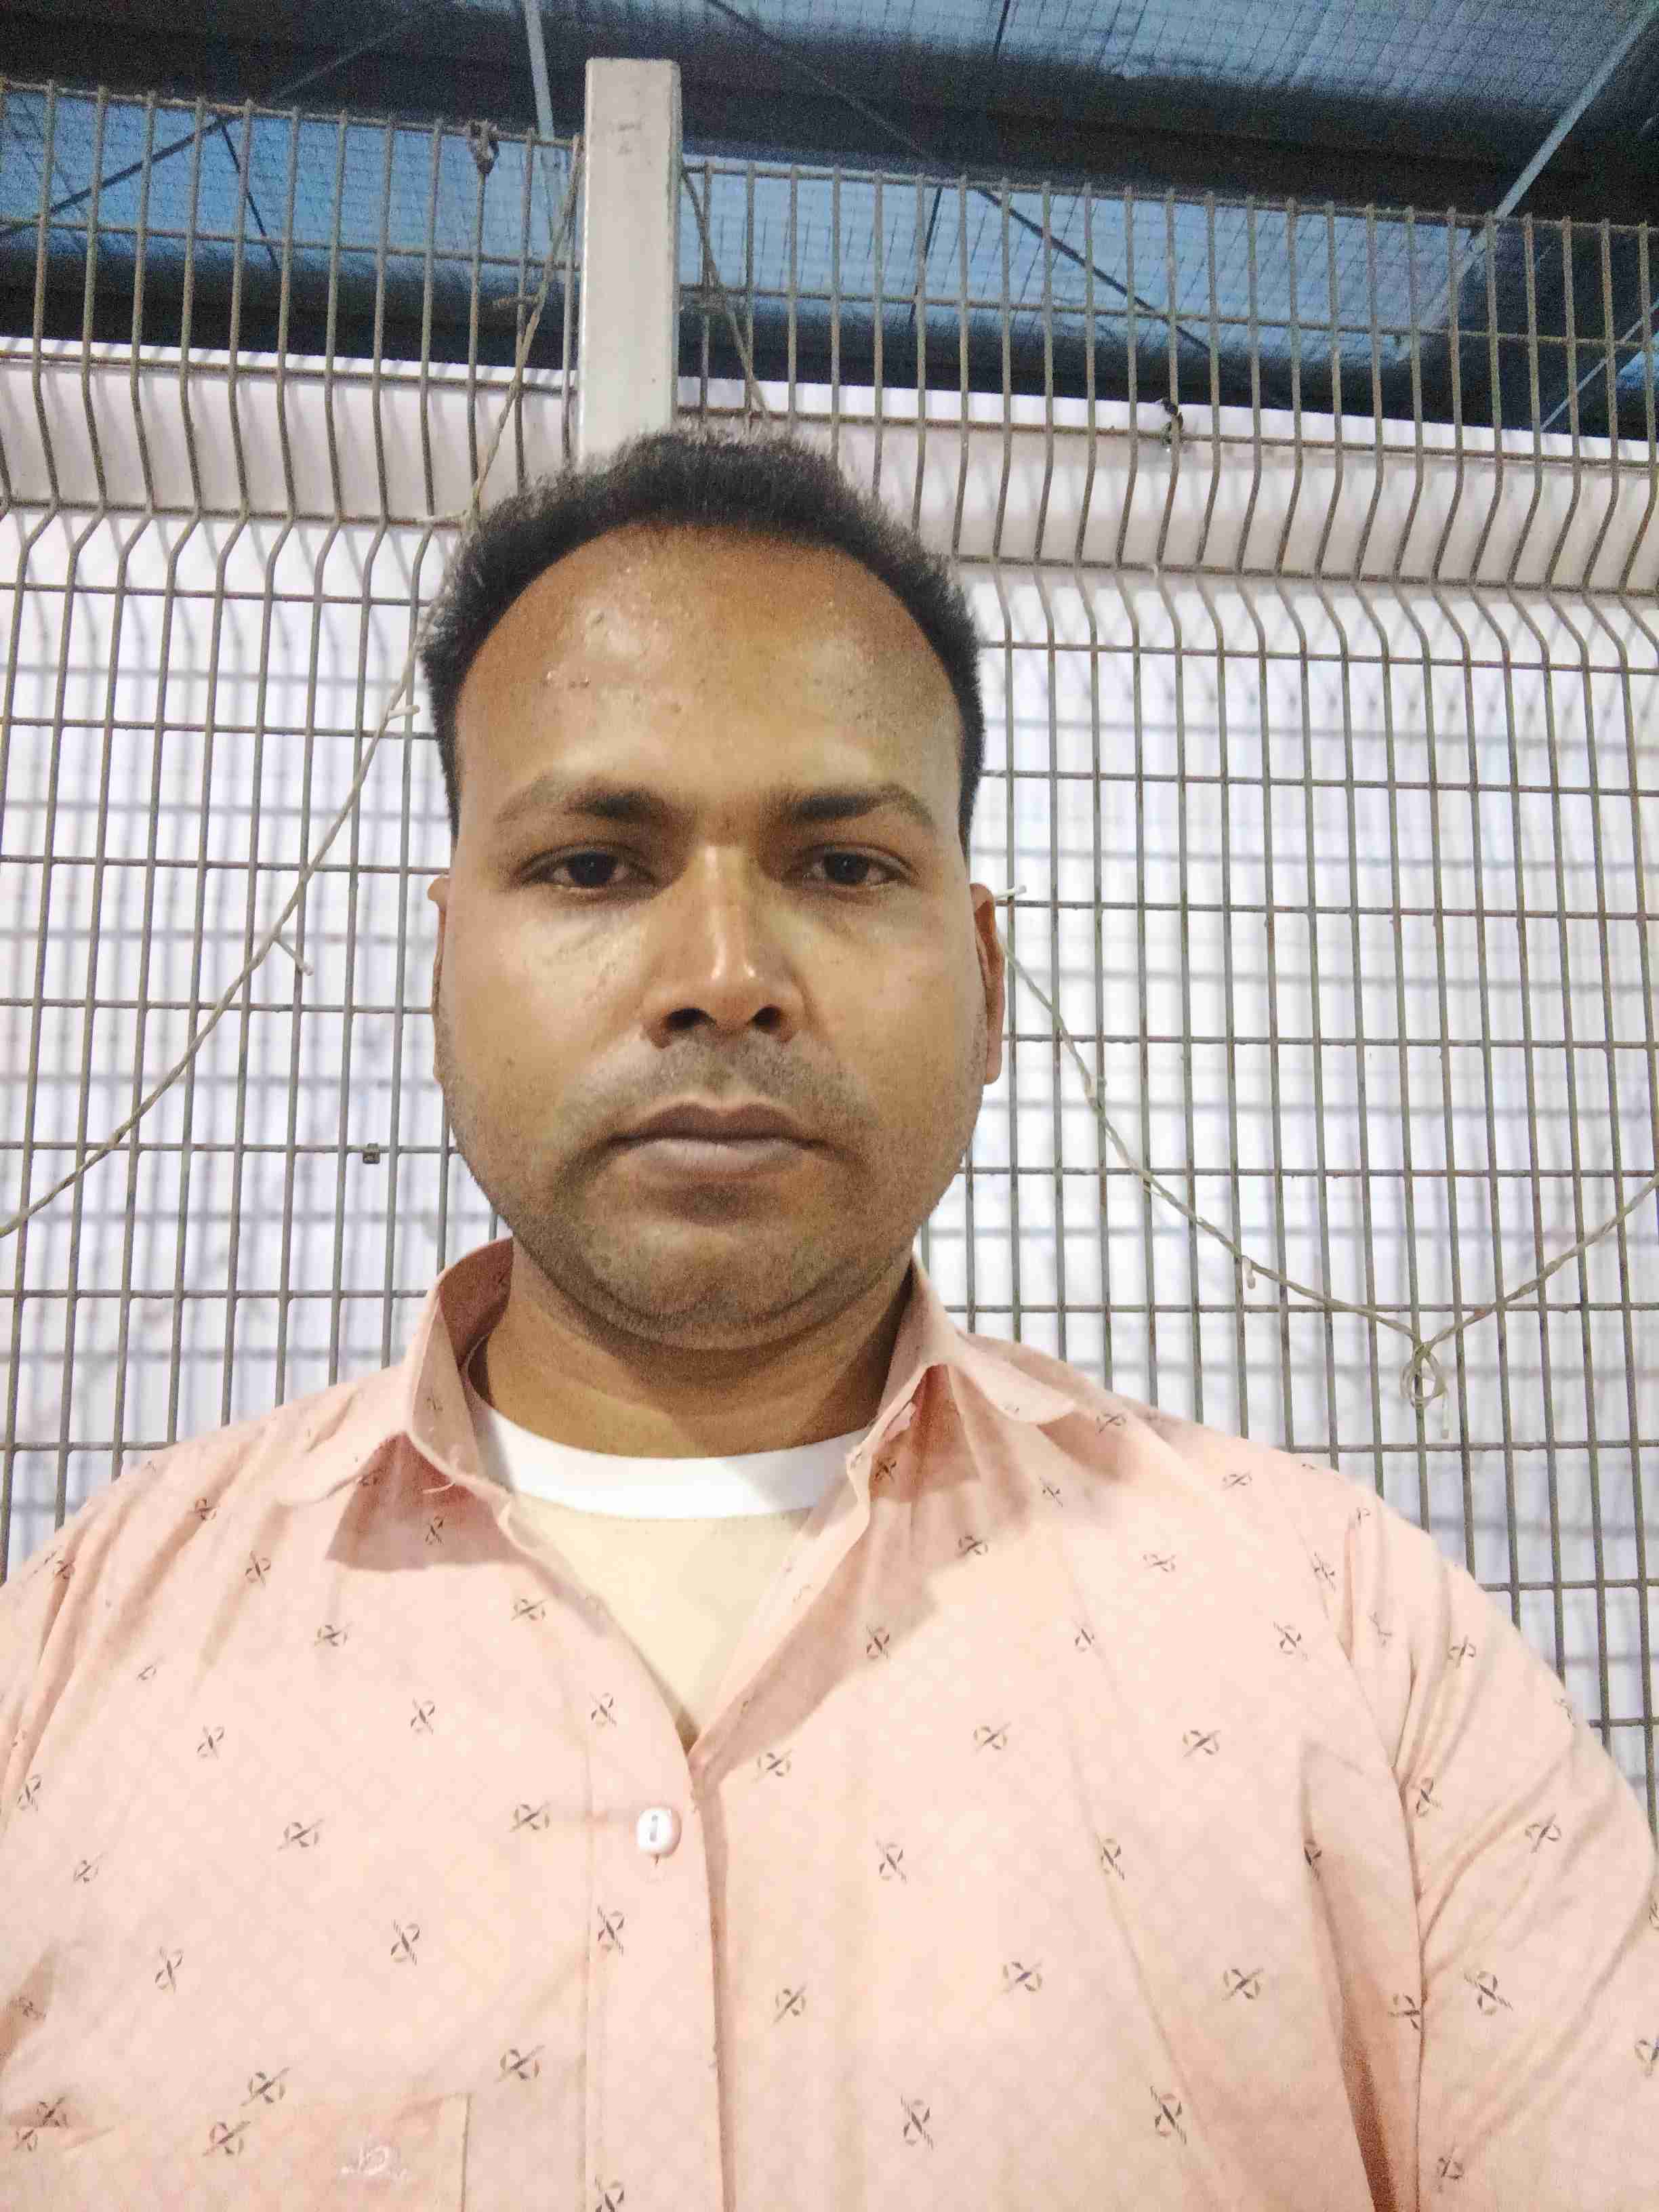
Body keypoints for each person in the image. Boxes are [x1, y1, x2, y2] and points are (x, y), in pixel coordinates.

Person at [1, 425, 1654, 2210]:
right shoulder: (77, 1657)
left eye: (845, 866)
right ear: (443, 960)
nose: (724, 979)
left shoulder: (1359, 1644)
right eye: (594, 866)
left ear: (987, 975)